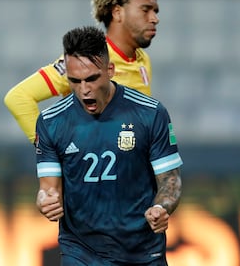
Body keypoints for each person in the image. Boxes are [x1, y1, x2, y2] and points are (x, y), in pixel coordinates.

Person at [35, 26, 183, 265]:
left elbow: (171, 180)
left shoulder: (150, 114)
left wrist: (161, 207)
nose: (84, 90)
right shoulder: (51, 122)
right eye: (75, 81)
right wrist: (45, 201)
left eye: (92, 78)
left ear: (110, 70)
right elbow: (48, 189)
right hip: (81, 252)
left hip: (142, 252)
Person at [4, 0, 159, 144]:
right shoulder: (88, 59)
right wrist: (49, 150)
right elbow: (19, 97)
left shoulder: (142, 60)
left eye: (155, 11)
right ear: (118, 12)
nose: (155, 18)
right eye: (145, 10)